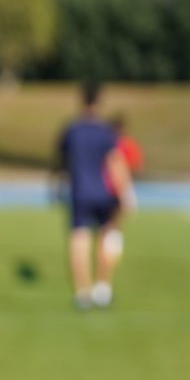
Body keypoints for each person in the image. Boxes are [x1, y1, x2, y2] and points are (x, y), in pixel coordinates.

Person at [54, 83, 135, 309]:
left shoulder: (72, 130)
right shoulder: (106, 132)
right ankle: (103, 287)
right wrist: (125, 193)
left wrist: (58, 184)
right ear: (99, 103)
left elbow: (62, 162)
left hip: (80, 191)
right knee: (106, 237)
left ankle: (82, 293)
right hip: (103, 192)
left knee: (79, 239)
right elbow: (115, 163)